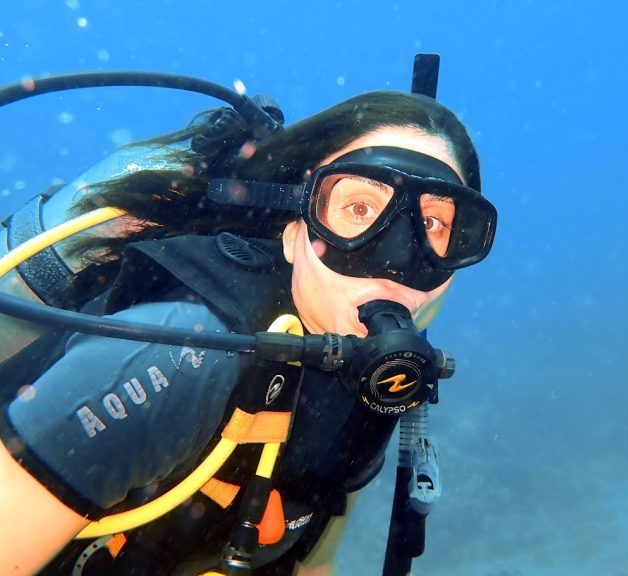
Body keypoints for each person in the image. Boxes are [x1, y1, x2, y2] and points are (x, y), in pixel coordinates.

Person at [0, 83, 496, 575]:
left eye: (433, 224)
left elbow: (316, 562)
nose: (395, 262)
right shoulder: (176, 359)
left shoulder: (376, 377)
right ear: (294, 231)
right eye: (359, 209)